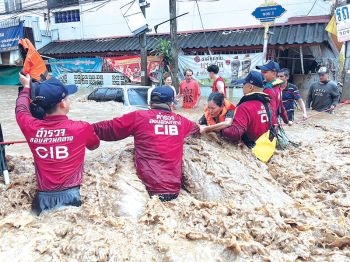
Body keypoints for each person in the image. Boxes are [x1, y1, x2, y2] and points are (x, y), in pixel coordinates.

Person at [93, 86, 200, 202]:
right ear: (172, 104)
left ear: (150, 102)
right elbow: (198, 130)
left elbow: (108, 129)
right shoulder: (182, 122)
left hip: (145, 191)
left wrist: (82, 129)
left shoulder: (138, 117)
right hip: (174, 191)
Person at [16, 74, 100, 215]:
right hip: (72, 196)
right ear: (63, 103)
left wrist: (26, 88)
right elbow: (94, 145)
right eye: (68, 97)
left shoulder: (31, 127)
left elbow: (21, 109)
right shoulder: (81, 127)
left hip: (42, 199)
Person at [222, 71, 272, 146]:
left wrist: (220, 128)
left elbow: (235, 133)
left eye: (244, 84)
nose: (242, 86)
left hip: (251, 148)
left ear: (250, 87)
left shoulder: (244, 107)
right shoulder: (267, 104)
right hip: (265, 147)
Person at [256, 60, 291, 126]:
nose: (262, 74)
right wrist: (286, 120)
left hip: (268, 126)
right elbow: (281, 107)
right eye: (261, 71)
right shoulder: (277, 87)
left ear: (274, 74)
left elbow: (269, 110)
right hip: (273, 124)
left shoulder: (268, 89)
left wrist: (271, 126)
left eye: (265, 72)